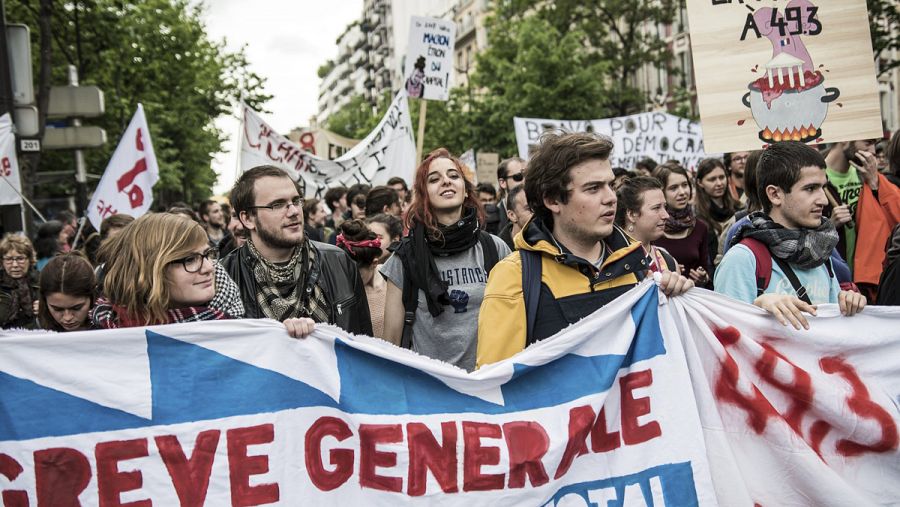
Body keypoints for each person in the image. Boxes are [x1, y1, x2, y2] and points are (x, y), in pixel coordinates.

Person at [476, 133, 692, 368]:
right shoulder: (514, 278)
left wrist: (675, 304)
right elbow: (495, 386)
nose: (610, 198)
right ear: (553, 200)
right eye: (593, 188)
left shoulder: (637, 265)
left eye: (610, 185)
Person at [381, 148, 511, 371]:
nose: (446, 182)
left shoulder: (494, 248)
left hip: (487, 385)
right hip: (430, 391)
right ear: (424, 195)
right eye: (434, 179)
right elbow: (390, 341)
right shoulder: (404, 257)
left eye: (453, 176)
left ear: (466, 190)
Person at [715, 142, 866, 330]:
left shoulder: (819, 251)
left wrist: (847, 303)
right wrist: (758, 307)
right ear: (775, 194)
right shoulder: (742, 259)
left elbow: (833, 334)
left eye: (822, 188)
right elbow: (725, 340)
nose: (824, 200)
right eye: (810, 189)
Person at [223, 165, 372, 335]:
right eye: (277, 205)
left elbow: (363, 344)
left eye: (296, 201)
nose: (294, 211)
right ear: (248, 219)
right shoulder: (224, 277)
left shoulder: (338, 262)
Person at [91, 213, 253, 330]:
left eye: (207, 254)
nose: (209, 267)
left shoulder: (235, 329)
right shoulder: (102, 337)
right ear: (149, 269)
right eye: (190, 259)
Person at [823, 139, 900, 298]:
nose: (873, 150)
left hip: (867, 283)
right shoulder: (815, 179)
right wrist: (830, 224)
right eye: (867, 143)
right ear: (844, 141)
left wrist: (875, 184)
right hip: (834, 279)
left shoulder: (866, 175)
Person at [652, 163, 712, 287]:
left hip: (692, 298)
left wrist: (704, 277)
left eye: (685, 185)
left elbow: (707, 271)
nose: (682, 192)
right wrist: (664, 269)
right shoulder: (651, 228)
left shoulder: (700, 227)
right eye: (673, 188)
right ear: (661, 192)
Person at [335, 220, 387, 338]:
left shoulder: (392, 283)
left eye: (357, 276)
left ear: (374, 263)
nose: (349, 280)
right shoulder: (335, 287)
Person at [616, 176, 677, 272]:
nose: (666, 215)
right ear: (631, 214)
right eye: (656, 208)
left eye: (664, 207)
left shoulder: (669, 261)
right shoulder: (611, 260)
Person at [694, 157, 742, 262]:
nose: (719, 183)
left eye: (722, 177)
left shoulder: (740, 209)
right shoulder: (696, 217)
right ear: (700, 182)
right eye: (712, 179)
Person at [37, 254, 96, 332]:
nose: (67, 318)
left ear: (92, 297)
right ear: (44, 301)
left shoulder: (112, 327)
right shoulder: (33, 331)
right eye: (57, 309)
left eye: (77, 308)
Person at [0, 235, 39, 329]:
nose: (15, 265)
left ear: (30, 259)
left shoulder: (42, 281)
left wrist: (47, 309)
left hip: (37, 336)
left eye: (20, 258)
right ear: (2, 262)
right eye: (9, 259)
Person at [495, 157, 526, 233]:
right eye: (519, 176)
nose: (525, 181)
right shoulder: (491, 218)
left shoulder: (539, 211)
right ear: (503, 183)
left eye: (528, 175)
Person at [497, 184, 533, 250]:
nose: (536, 214)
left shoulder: (548, 239)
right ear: (512, 215)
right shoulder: (499, 250)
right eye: (529, 209)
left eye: (537, 207)